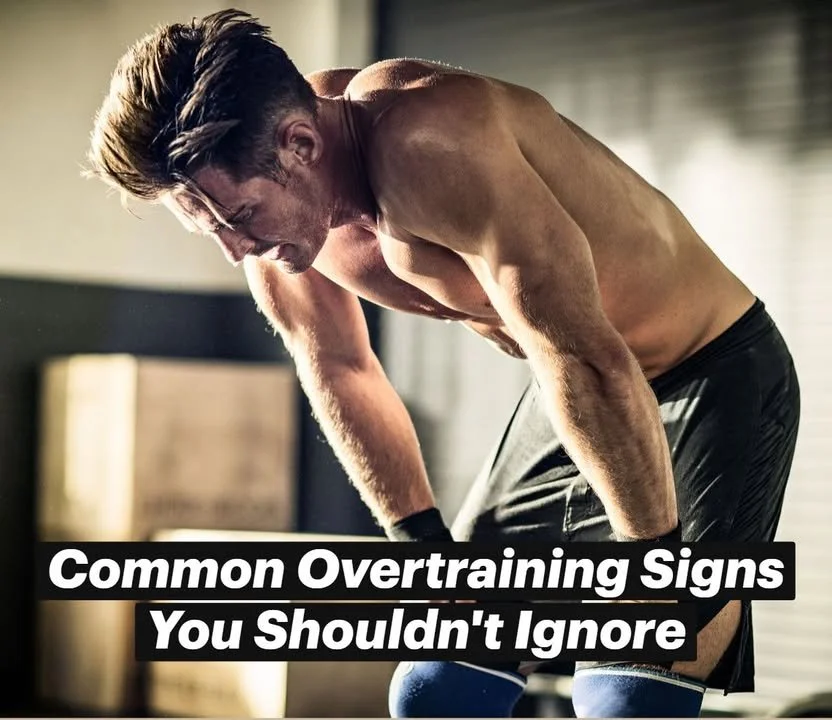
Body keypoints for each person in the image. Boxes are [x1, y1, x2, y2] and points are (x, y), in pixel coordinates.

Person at [85, 9, 800, 718]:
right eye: (210, 227)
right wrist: (424, 548)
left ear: (300, 142)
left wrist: (654, 563)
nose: (236, 251)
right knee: (441, 687)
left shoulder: (431, 138)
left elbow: (582, 354)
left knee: (626, 698)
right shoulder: (278, 228)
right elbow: (340, 368)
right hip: (577, 390)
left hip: (711, 371)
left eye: (239, 218)